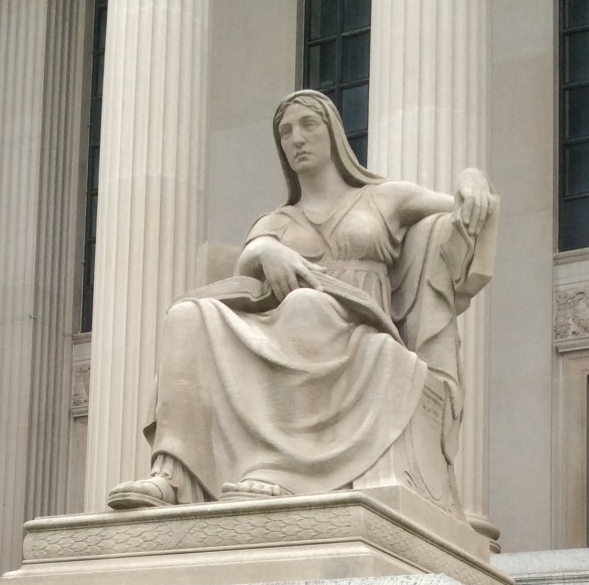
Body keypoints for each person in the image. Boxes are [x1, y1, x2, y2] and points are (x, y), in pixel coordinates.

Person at [108, 89, 497, 510]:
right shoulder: (276, 221)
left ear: (332, 134)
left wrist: (473, 178)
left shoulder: (383, 198)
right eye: (286, 131)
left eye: (308, 125)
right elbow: (245, 270)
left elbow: (463, 216)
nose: (297, 138)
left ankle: (283, 472)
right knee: (185, 316)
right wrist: (266, 251)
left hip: (357, 328)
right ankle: (173, 473)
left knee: (305, 305)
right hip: (286, 331)